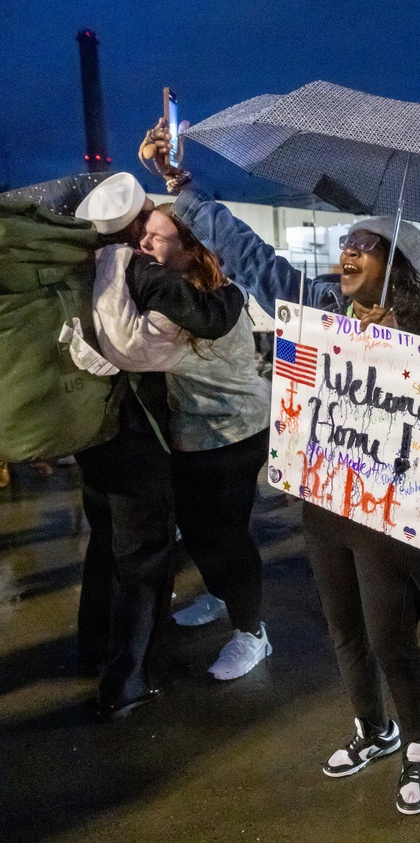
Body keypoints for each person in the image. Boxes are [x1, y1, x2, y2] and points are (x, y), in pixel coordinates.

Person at [143, 119, 420, 814]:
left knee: (389, 635)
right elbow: (249, 257)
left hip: (390, 516)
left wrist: (404, 336)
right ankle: (373, 728)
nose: (347, 251)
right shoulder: (316, 310)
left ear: (394, 262)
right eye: (345, 243)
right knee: (342, 628)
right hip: (323, 498)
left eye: (364, 246)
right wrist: (183, 191)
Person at [73, 173, 246, 717]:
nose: (150, 238)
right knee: (143, 558)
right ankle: (127, 680)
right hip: (132, 434)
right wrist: (234, 289)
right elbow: (210, 317)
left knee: (105, 544)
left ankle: (93, 651)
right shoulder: (135, 267)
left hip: (92, 432)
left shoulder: (85, 267)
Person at [90, 202, 273, 681]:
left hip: (234, 431)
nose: (144, 244)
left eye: (156, 237)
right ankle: (219, 593)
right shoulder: (177, 291)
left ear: (192, 250)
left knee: (227, 535)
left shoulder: (200, 304)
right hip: (192, 432)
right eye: (142, 236)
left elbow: (128, 346)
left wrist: (110, 263)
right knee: (195, 530)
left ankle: (252, 634)